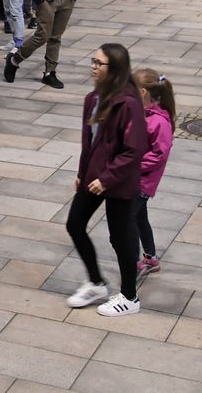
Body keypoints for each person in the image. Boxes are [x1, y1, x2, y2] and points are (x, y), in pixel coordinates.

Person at [64, 43, 148, 317]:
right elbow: (88, 141)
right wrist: (81, 171)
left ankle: (129, 297)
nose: (93, 66)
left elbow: (133, 149)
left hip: (118, 182)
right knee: (75, 224)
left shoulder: (128, 103)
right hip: (93, 177)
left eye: (99, 63)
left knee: (121, 238)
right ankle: (97, 283)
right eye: (93, 61)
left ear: (115, 69)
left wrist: (108, 178)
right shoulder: (93, 98)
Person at [131, 68, 176, 277]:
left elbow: (159, 154)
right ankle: (151, 258)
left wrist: (133, 164)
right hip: (133, 178)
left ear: (142, 92)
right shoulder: (144, 114)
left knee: (127, 222)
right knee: (140, 218)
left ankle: (130, 263)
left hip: (142, 182)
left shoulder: (159, 121)